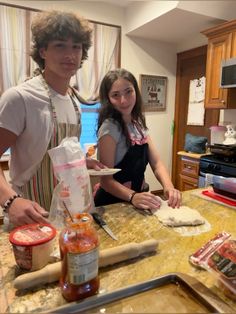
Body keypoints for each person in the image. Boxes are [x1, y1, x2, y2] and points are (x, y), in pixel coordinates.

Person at [0, 10, 105, 227]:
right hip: (29, 215)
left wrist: (81, 162)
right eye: (60, 45)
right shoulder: (20, 98)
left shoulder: (75, 101)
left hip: (68, 213)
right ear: (43, 51)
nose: (70, 54)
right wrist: (10, 201)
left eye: (76, 46)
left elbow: (56, 152)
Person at [94, 68, 181, 211]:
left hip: (137, 201)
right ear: (108, 99)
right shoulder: (109, 128)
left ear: (136, 91)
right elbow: (106, 181)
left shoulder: (138, 125)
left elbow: (157, 163)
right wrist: (133, 196)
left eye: (128, 91)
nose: (124, 100)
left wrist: (169, 187)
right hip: (112, 204)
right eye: (116, 95)